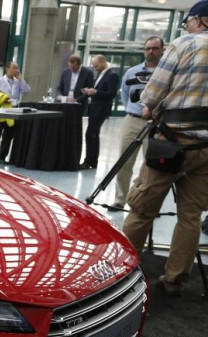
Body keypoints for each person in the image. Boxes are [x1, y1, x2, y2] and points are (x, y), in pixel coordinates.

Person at [122, 0, 208, 296]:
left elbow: (151, 95)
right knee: (190, 216)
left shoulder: (185, 44)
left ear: (198, 20)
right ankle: (174, 279)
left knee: (142, 208)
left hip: (172, 145)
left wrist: (151, 108)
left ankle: (120, 271)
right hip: (207, 150)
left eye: (187, 22)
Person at [111, 37, 165, 209]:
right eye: (148, 48)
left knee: (151, 165)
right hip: (132, 120)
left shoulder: (166, 73)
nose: (151, 51)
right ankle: (120, 199)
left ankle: (145, 203)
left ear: (162, 50)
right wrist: (130, 108)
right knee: (124, 160)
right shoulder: (132, 72)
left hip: (155, 123)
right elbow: (125, 93)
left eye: (155, 48)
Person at [80, 54, 119, 170]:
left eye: (96, 66)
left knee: (90, 134)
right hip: (95, 108)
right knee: (93, 135)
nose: (95, 68)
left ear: (103, 62)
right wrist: (89, 91)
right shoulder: (101, 74)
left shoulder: (112, 75)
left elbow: (112, 94)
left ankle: (89, 161)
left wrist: (95, 92)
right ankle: (93, 161)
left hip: (101, 110)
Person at [0, 61, 30, 165]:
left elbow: (27, 90)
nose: (16, 70)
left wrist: (21, 79)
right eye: (14, 68)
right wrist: (2, 98)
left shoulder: (18, 82)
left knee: (8, 136)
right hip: (0, 110)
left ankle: (2, 157)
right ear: (7, 68)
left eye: (17, 68)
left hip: (13, 110)